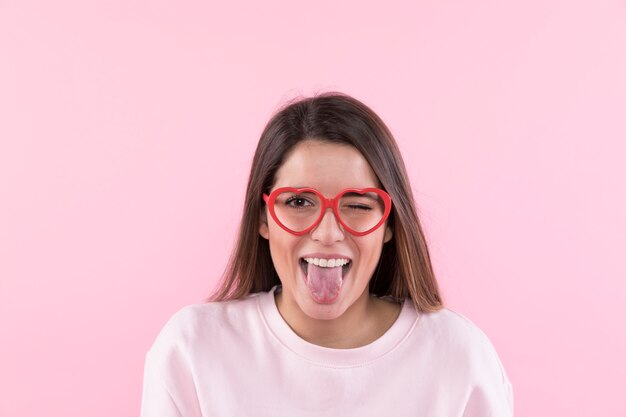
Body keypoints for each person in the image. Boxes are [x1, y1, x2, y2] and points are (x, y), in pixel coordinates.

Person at [140, 93, 514, 416]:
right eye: (299, 202)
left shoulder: (459, 358)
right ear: (263, 218)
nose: (327, 232)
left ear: (389, 225)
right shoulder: (191, 350)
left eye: (357, 205)